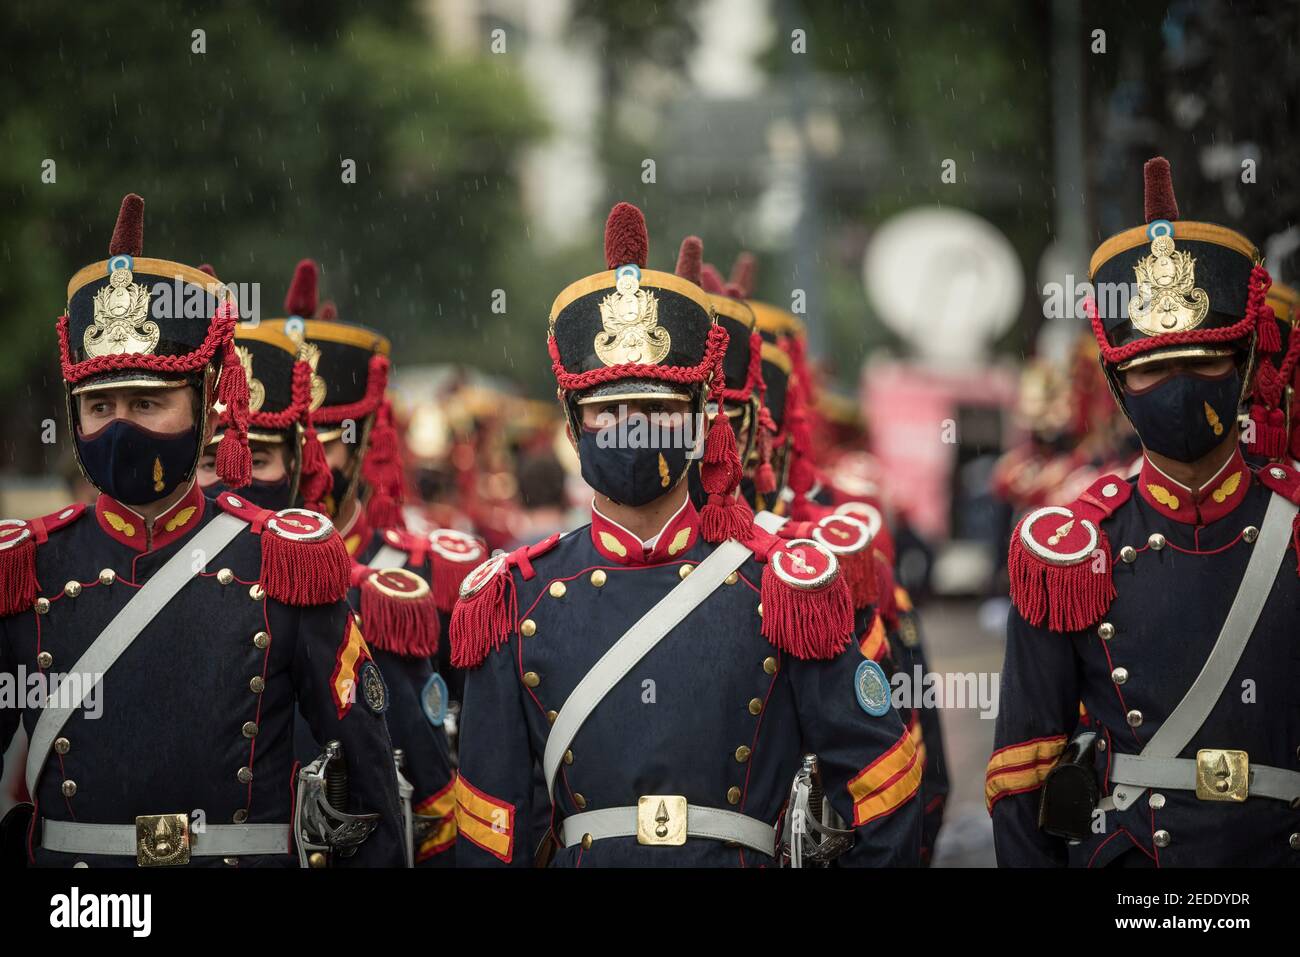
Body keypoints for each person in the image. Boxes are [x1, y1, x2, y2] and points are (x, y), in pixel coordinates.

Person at [449, 203, 921, 867]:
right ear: (571, 423)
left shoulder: (785, 584)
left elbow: (882, 783)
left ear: (702, 417)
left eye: (656, 408)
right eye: (607, 410)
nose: (631, 426)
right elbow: (488, 828)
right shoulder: (515, 597)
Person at [0, 194, 403, 867]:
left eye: (149, 402)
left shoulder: (283, 562)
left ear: (210, 410)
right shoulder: (27, 569)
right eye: (100, 405)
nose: (121, 425)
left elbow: (368, 795)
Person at [989, 156, 1300, 866]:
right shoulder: (1070, 548)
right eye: (1155, 368)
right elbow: (1022, 773)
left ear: (1247, 361)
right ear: (1118, 380)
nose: (1181, 387)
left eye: (1203, 358)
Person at [268, 260, 473, 865]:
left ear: (362, 439)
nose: (309, 463)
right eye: (286, 445)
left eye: (325, 442)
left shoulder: (426, 572)